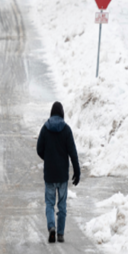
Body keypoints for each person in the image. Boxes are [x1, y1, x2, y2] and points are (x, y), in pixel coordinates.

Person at [36, 101, 80, 244]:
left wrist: (47, 158)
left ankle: (51, 228)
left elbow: (39, 149)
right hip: (62, 175)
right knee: (62, 205)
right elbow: (72, 152)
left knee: (49, 203)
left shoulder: (45, 128)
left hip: (49, 174)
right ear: (62, 113)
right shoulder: (66, 130)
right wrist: (77, 170)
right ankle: (60, 234)